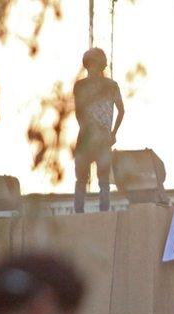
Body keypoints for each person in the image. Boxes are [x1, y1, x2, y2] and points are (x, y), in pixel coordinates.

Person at [72, 48, 124, 213]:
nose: (92, 68)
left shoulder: (111, 86)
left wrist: (113, 133)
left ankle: (104, 214)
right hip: (87, 136)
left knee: (103, 181)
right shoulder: (80, 86)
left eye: (94, 64)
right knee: (81, 179)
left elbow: (121, 110)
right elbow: (78, 112)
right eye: (90, 64)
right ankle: (79, 213)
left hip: (100, 137)